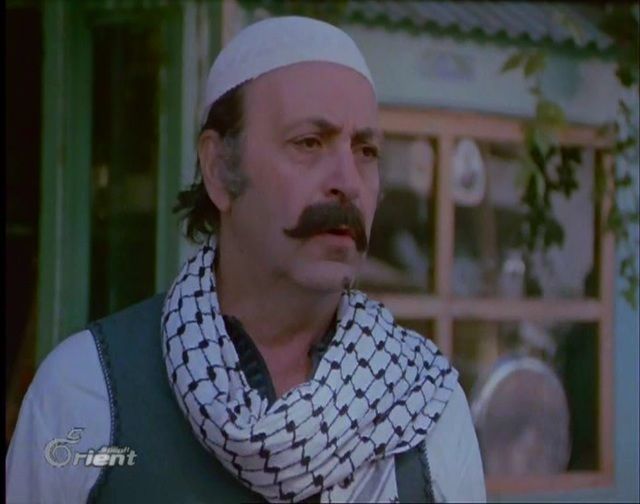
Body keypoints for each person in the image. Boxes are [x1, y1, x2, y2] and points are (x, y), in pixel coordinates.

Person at [7, 16, 486, 503]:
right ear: (220, 169)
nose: (348, 181)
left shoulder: (424, 403)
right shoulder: (87, 392)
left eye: (366, 150)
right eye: (309, 143)